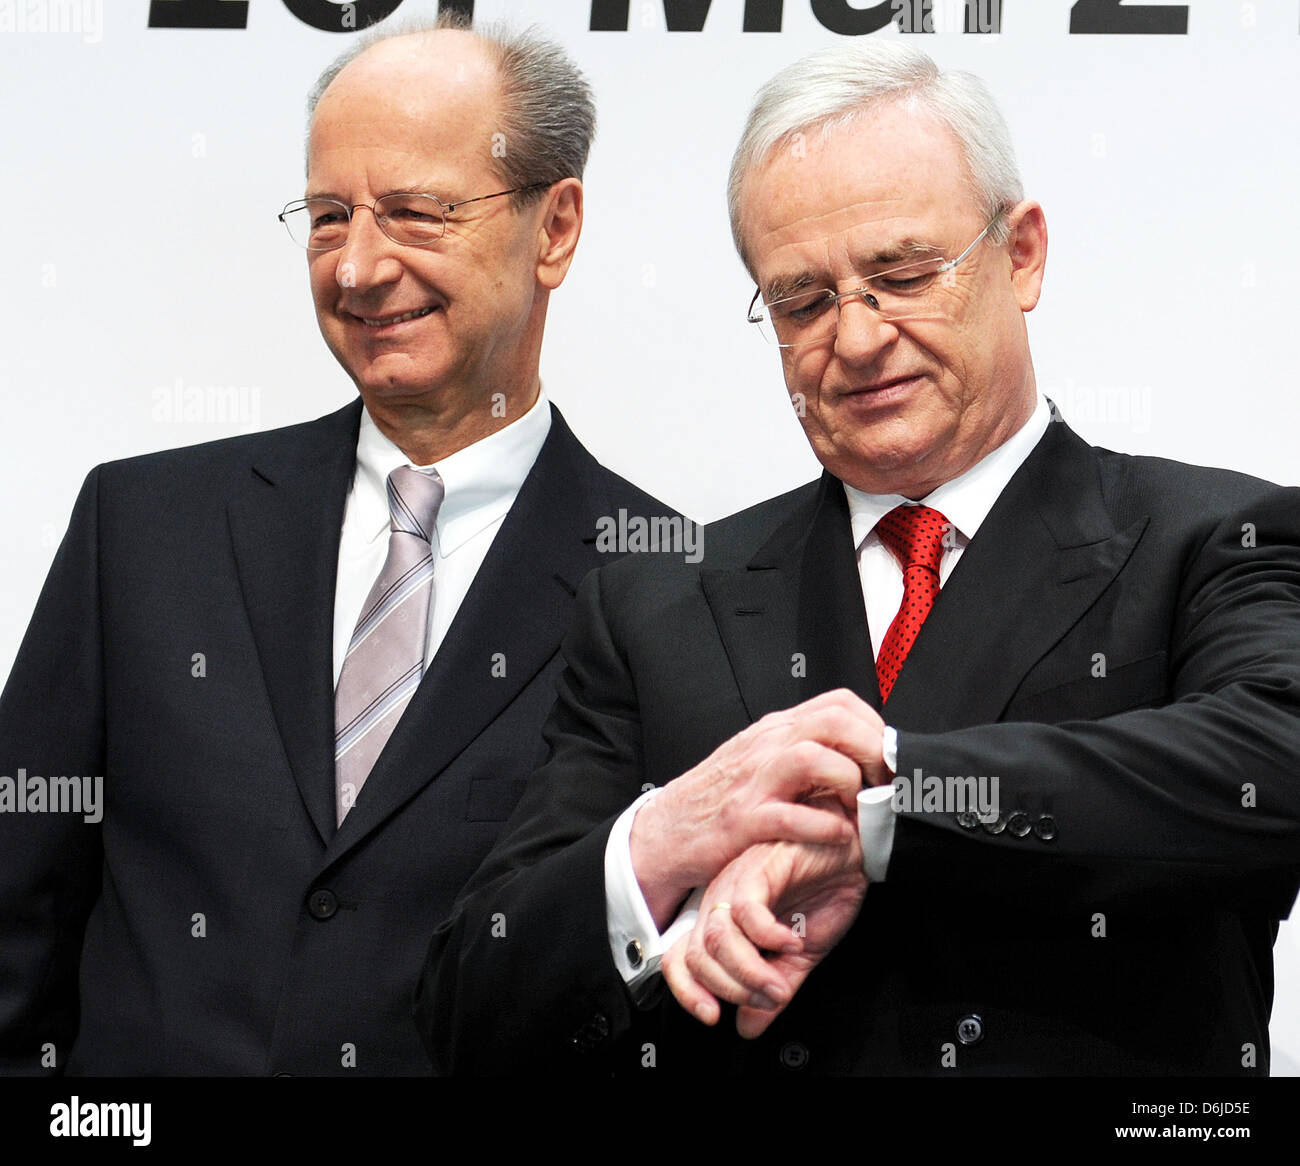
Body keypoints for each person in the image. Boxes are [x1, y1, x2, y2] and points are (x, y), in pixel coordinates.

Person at [416, 40, 1300, 1076]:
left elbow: (1270, 764)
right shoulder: (655, 602)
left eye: (902, 274)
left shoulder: (1212, 535)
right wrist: (658, 846)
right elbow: (475, 998)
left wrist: (884, 808)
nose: (859, 335)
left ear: (1020, 254)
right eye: (802, 300)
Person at [0, 14, 668, 1076]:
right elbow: (17, 916)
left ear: (555, 228)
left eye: (414, 211)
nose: (357, 266)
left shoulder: (669, 586)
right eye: (326, 216)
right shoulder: (141, 528)